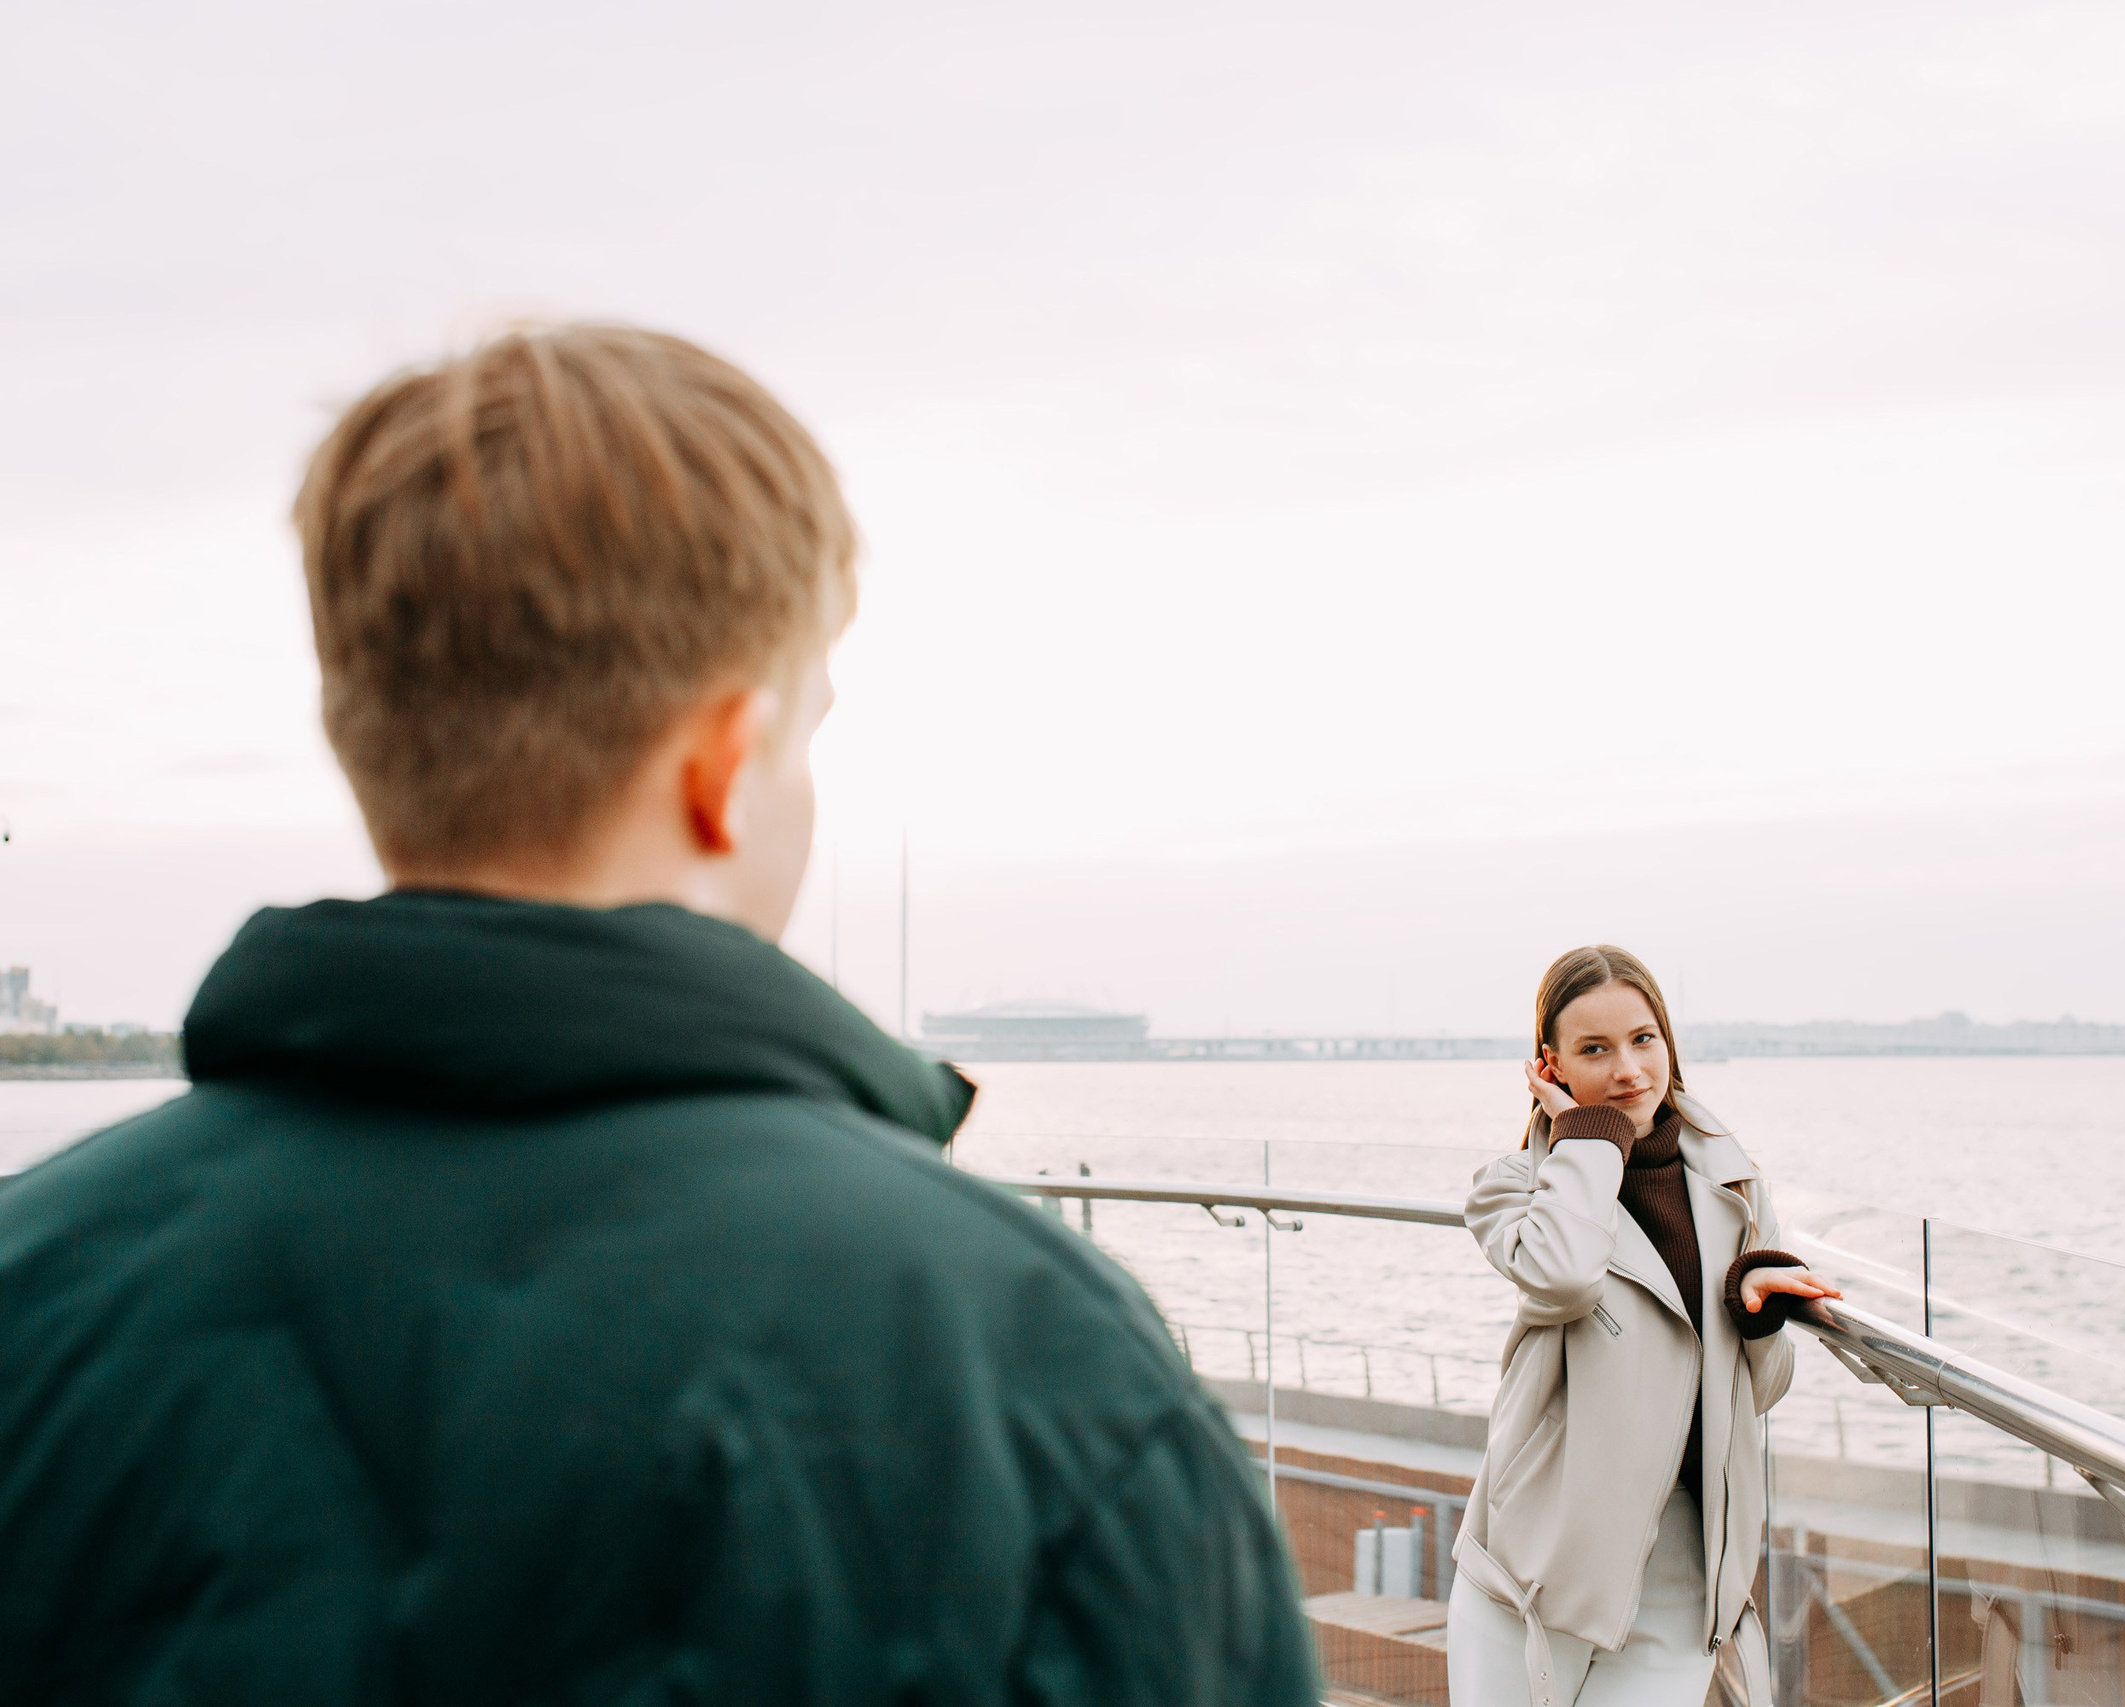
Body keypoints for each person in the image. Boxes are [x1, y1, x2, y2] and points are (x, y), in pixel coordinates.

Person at [0, 326, 1317, 1704]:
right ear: (725, 763)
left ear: (361, 731)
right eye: (808, 732)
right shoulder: (1040, 1368)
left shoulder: (35, 1286)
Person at [1449, 945, 1840, 1707]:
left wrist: (1751, 1313)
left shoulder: (1731, 1181)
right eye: (1595, 1049)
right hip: (1538, 1562)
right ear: (1551, 1065)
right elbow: (1564, 1277)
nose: (1629, 1069)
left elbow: (1761, 1394)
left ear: (1668, 1039)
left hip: (1687, 1568)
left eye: (1643, 1038)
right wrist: (1589, 1139)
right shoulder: (1512, 1185)